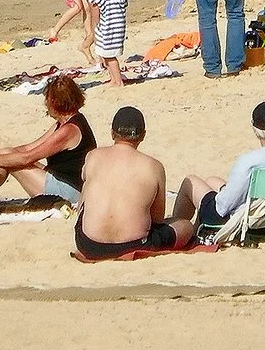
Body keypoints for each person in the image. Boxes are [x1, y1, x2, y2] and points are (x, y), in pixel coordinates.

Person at [172, 100, 265, 233]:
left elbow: (224, 206)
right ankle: (196, 230)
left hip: (247, 220)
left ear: (255, 129)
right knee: (211, 181)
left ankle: (176, 229)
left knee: (190, 182)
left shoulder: (249, 162)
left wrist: (221, 194)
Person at [73, 106, 191, 258]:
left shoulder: (93, 156)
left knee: (87, 184)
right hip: (132, 245)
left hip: (88, 244)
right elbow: (157, 219)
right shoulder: (154, 166)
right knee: (185, 227)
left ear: (112, 133)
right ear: (143, 135)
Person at [0, 73, 94, 204]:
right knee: (6, 154)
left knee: (8, 160)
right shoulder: (65, 123)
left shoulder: (69, 130)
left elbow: (27, 157)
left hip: (70, 190)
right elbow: (29, 147)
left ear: (53, 102)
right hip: (60, 179)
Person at [87, 0, 130, 84]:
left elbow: (94, 5)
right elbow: (125, 3)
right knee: (108, 53)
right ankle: (113, 79)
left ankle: (117, 81)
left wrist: (95, 24)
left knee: (109, 56)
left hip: (108, 24)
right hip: (119, 23)